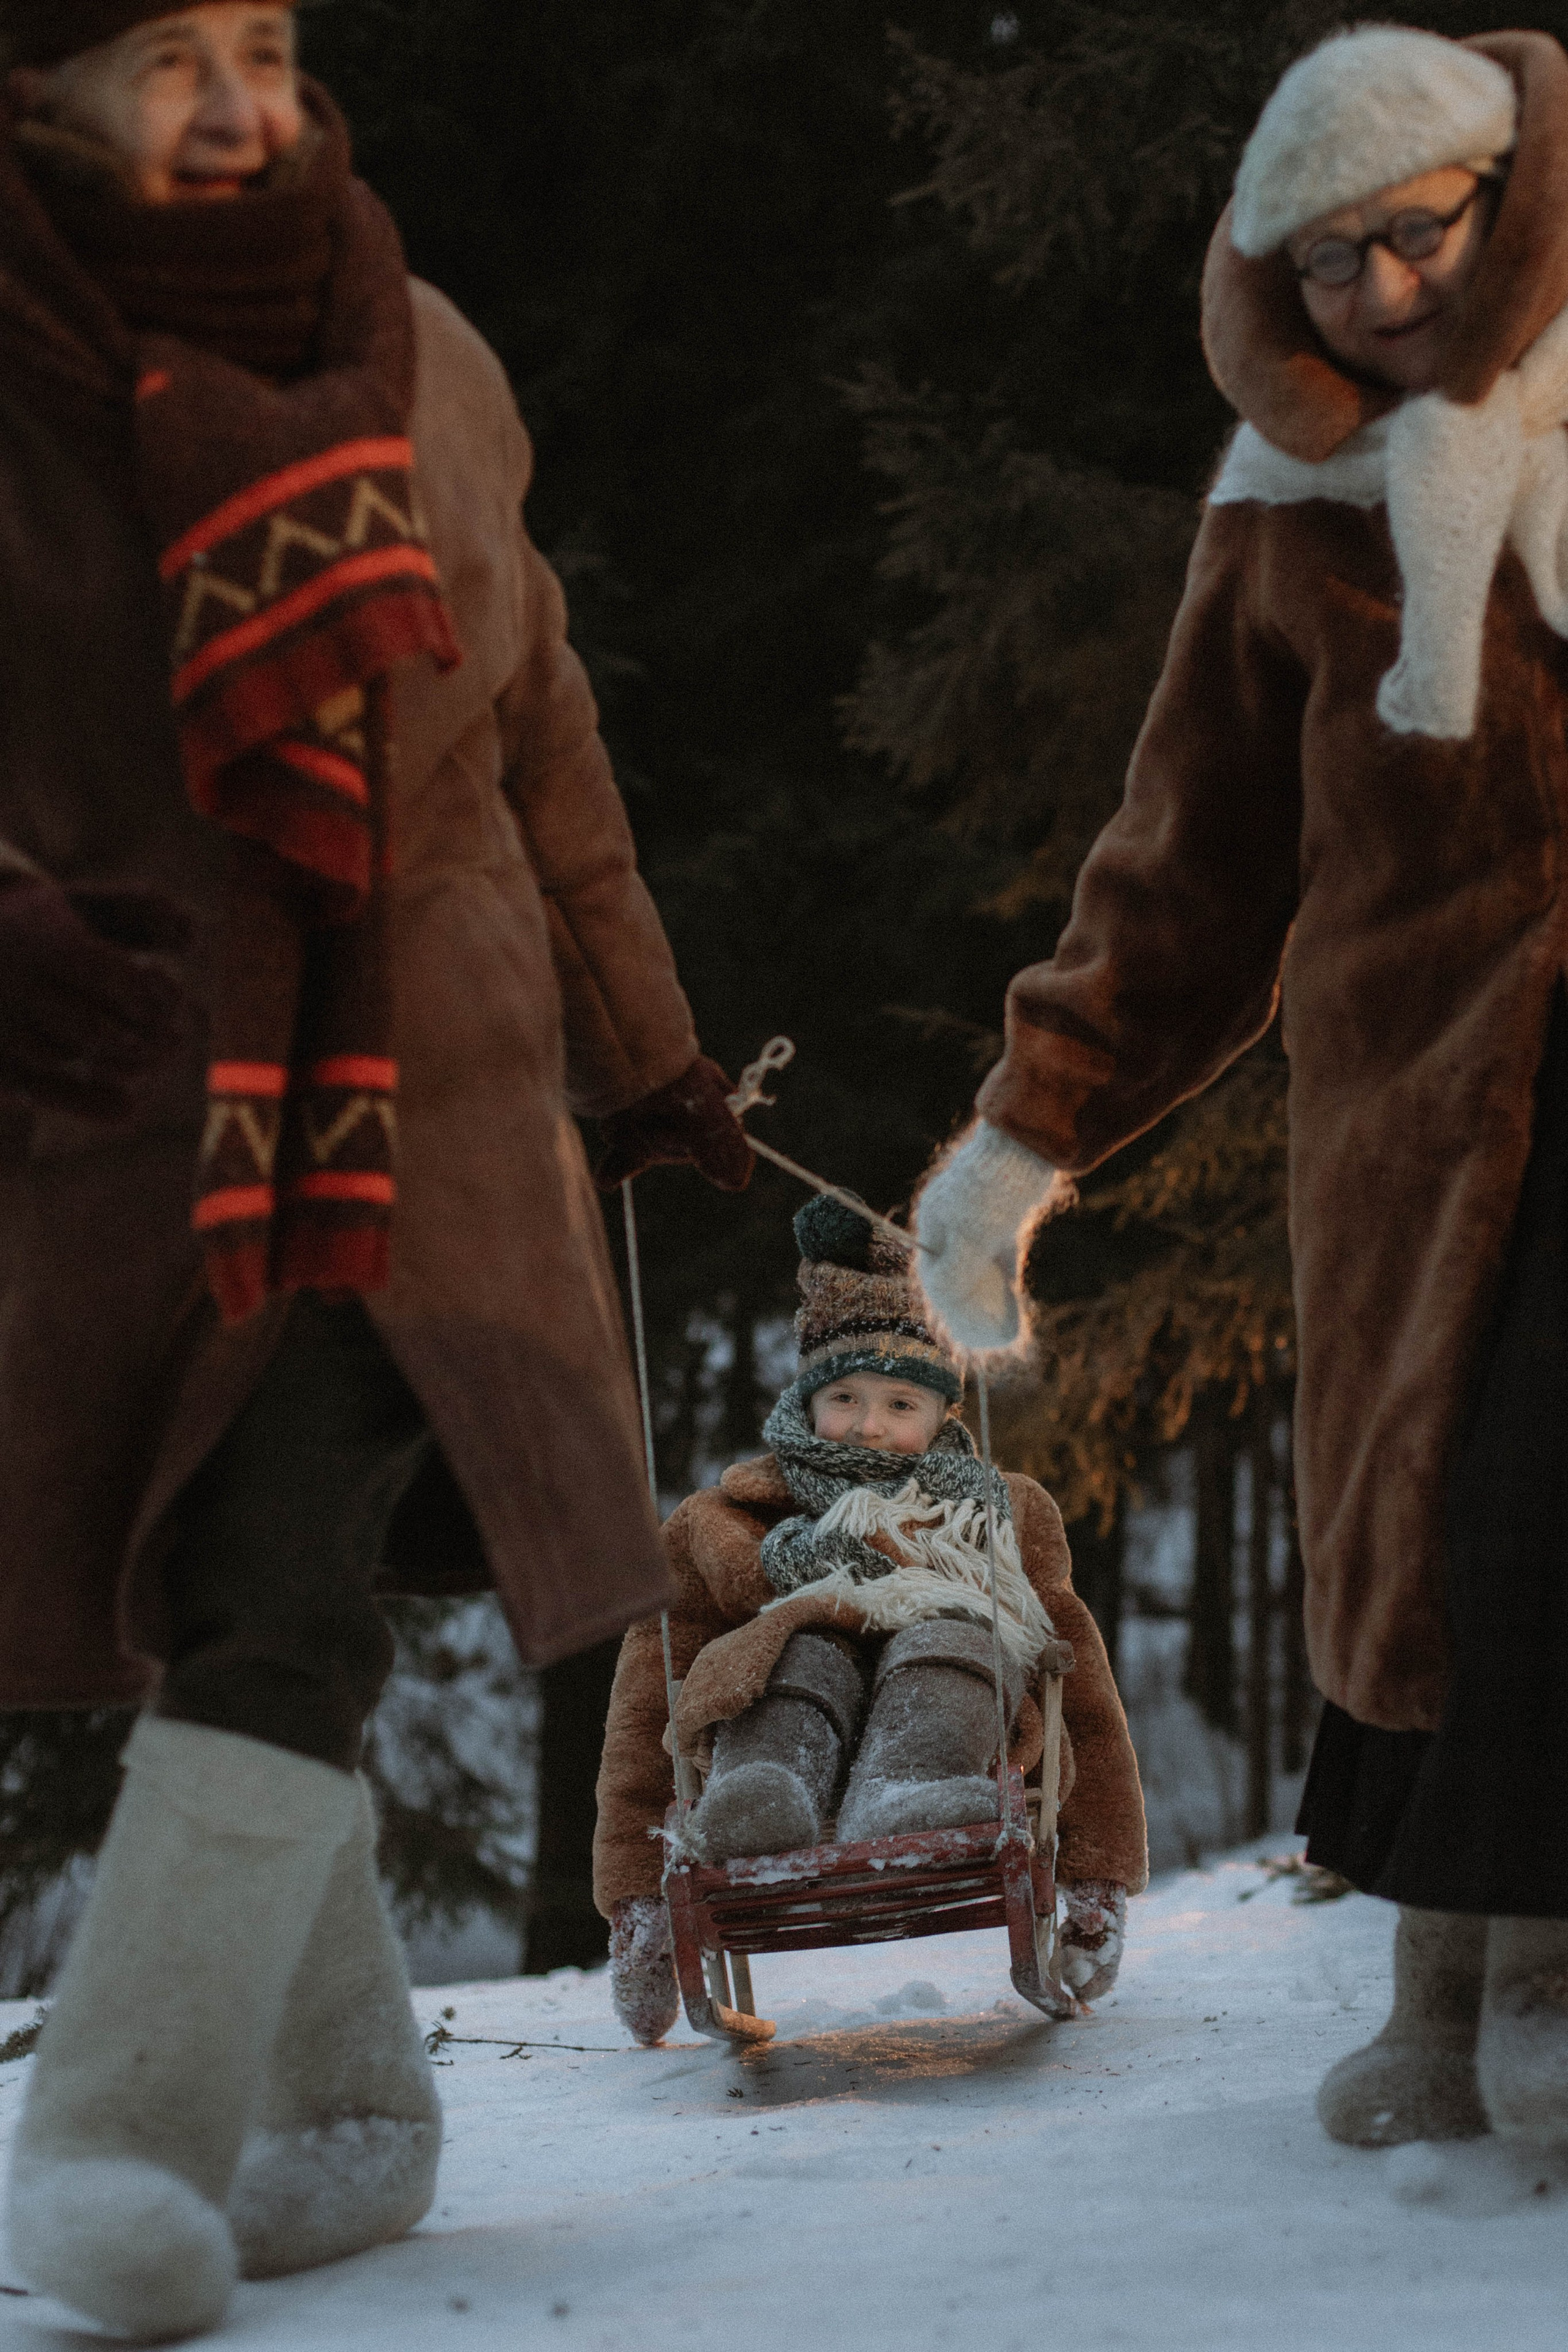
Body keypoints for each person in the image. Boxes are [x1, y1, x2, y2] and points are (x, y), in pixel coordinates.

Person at [0, 2, 752, 2335]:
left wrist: (648, 1056)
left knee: (279, 1581)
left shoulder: (420, 340)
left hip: (431, 1091)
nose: (238, 103)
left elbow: (536, 717)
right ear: (47, 88)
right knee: (209, 1580)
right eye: (170, 57)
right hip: (134, 1095)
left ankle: (113, 2137)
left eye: (266, 40)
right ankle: (351, 2115)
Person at [913, 23, 1568, 2154]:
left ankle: (1540, 1975)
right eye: (1323, 264)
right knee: (1456, 1523)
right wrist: (1030, 1129)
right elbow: (1188, 863)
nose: (1380, 293)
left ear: (1505, 198)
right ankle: (1453, 1983)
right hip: (1416, 1112)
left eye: (1414, 236)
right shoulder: (1285, 511)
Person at [594, 1193, 1147, 2048]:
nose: (871, 1427)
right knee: (800, 1642)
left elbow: (1085, 1694)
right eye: (845, 1397)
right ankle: (764, 1791)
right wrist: (637, 1901)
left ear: (941, 1415)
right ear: (809, 1402)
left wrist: (1096, 1876)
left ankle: (909, 1785)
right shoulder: (724, 1522)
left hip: (959, 1751)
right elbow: (644, 1702)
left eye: (901, 1404)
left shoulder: (999, 1518)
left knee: (956, 1629)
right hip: (767, 1748)